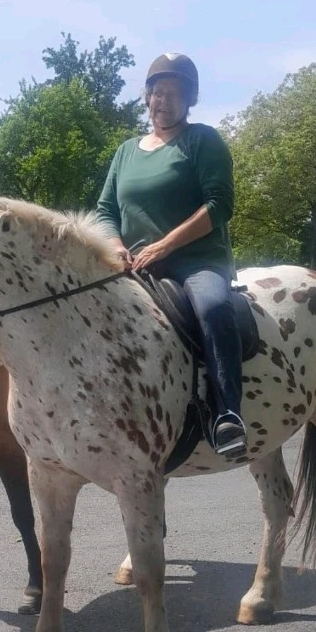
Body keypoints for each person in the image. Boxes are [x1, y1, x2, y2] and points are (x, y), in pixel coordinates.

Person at [95, 53, 246, 456]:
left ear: (189, 100)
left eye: (174, 94)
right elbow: (105, 210)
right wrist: (115, 246)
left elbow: (221, 204)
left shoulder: (203, 140)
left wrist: (164, 245)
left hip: (196, 262)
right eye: (157, 92)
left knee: (213, 309)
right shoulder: (125, 151)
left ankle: (226, 413)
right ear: (147, 97)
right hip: (134, 264)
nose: (164, 101)